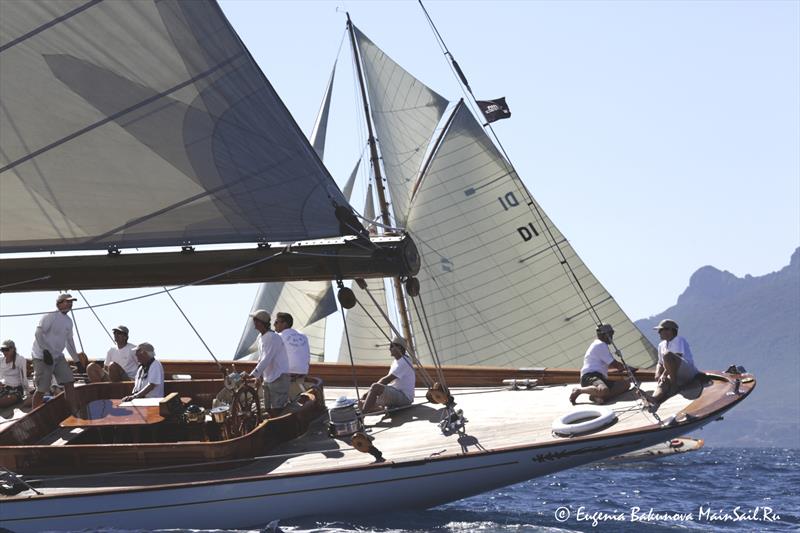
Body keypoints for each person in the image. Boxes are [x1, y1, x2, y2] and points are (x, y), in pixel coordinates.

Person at [31, 293, 86, 411]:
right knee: (42, 388)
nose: (70, 304)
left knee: (69, 381)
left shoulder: (68, 321)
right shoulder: (50, 315)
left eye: (71, 302)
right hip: (42, 356)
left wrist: (77, 361)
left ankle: (73, 411)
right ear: (59, 303)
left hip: (57, 356)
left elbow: (69, 342)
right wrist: (45, 351)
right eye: (67, 301)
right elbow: (38, 333)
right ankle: (34, 414)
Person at [569, 324, 631, 405]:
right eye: (611, 334)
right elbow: (613, 364)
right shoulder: (600, 345)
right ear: (606, 335)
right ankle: (579, 391)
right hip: (589, 376)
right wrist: (625, 367)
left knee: (625, 384)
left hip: (600, 377)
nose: (612, 337)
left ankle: (596, 396)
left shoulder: (600, 344)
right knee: (604, 390)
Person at [246, 309, 290, 415]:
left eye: (255, 320)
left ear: (260, 322)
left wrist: (252, 375)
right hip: (269, 379)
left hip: (278, 378)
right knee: (268, 410)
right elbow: (262, 358)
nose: (253, 322)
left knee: (277, 410)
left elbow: (266, 358)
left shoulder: (272, 338)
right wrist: (258, 377)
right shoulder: (261, 337)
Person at [360, 336, 415, 414]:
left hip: (404, 397)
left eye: (391, 346)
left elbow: (386, 380)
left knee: (375, 387)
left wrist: (367, 393)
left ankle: (361, 416)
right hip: (396, 393)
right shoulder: (396, 361)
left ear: (399, 347)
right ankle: (380, 408)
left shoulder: (404, 362)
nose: (389, 349)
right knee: (362, 403)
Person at [652, 319, 701, 404]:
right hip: (673, 373)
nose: (658, 332)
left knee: (667, 355)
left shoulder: (679, 340)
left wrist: (664, 374)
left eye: (660, 330)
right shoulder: (661, 345)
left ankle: (674, 385)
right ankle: (654, 398)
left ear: (669, 331)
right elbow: (660, 363)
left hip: (687, 371)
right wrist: (658, 374)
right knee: (663, 382)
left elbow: (675, 359)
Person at [273, 312, 311, 400]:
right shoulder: (303, 336)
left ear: (284, 324)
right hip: (303, 372)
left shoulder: (278, 336)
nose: (274, 325)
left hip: (288, 374)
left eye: (276, 322)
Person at [0, 340, 27, 408]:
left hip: (17, 390)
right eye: (2, 350)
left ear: (13, 349)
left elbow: (24, 377)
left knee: (2, 403)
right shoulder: (1, 360)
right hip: (5, 389)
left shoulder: (20, 359)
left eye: (6, 349)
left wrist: (27, 393)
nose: (4, 352)